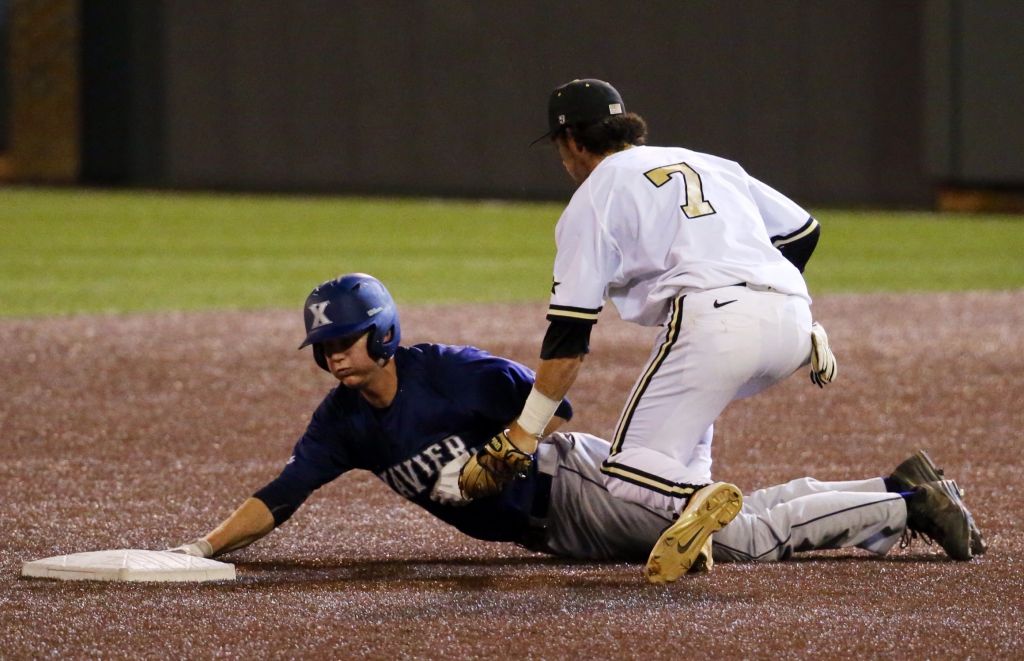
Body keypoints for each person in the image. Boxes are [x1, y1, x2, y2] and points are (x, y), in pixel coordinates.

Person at [168, 273, 985, 578]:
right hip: (557, 527)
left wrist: (501, 453)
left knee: (741, 543)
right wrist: (204, 547)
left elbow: (554, 407)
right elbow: (282, 494)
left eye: (341, 342)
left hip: (574, 483)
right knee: (738, 525)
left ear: (380, 333)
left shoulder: (448, 369)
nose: (332, 358)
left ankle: (902, 499)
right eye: (321, 348)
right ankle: (878, 503)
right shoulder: (343, 423)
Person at [453, 77, 922, 581]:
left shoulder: (594, 197)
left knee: (631, 470)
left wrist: (523, 436)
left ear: (572, 141)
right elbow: (803, 230)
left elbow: (568, 337)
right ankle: (702, 515)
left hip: (713, 326)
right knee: (673, 454)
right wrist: (773, 301)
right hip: (792, 319)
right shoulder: (708, 162)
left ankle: (701, 497)